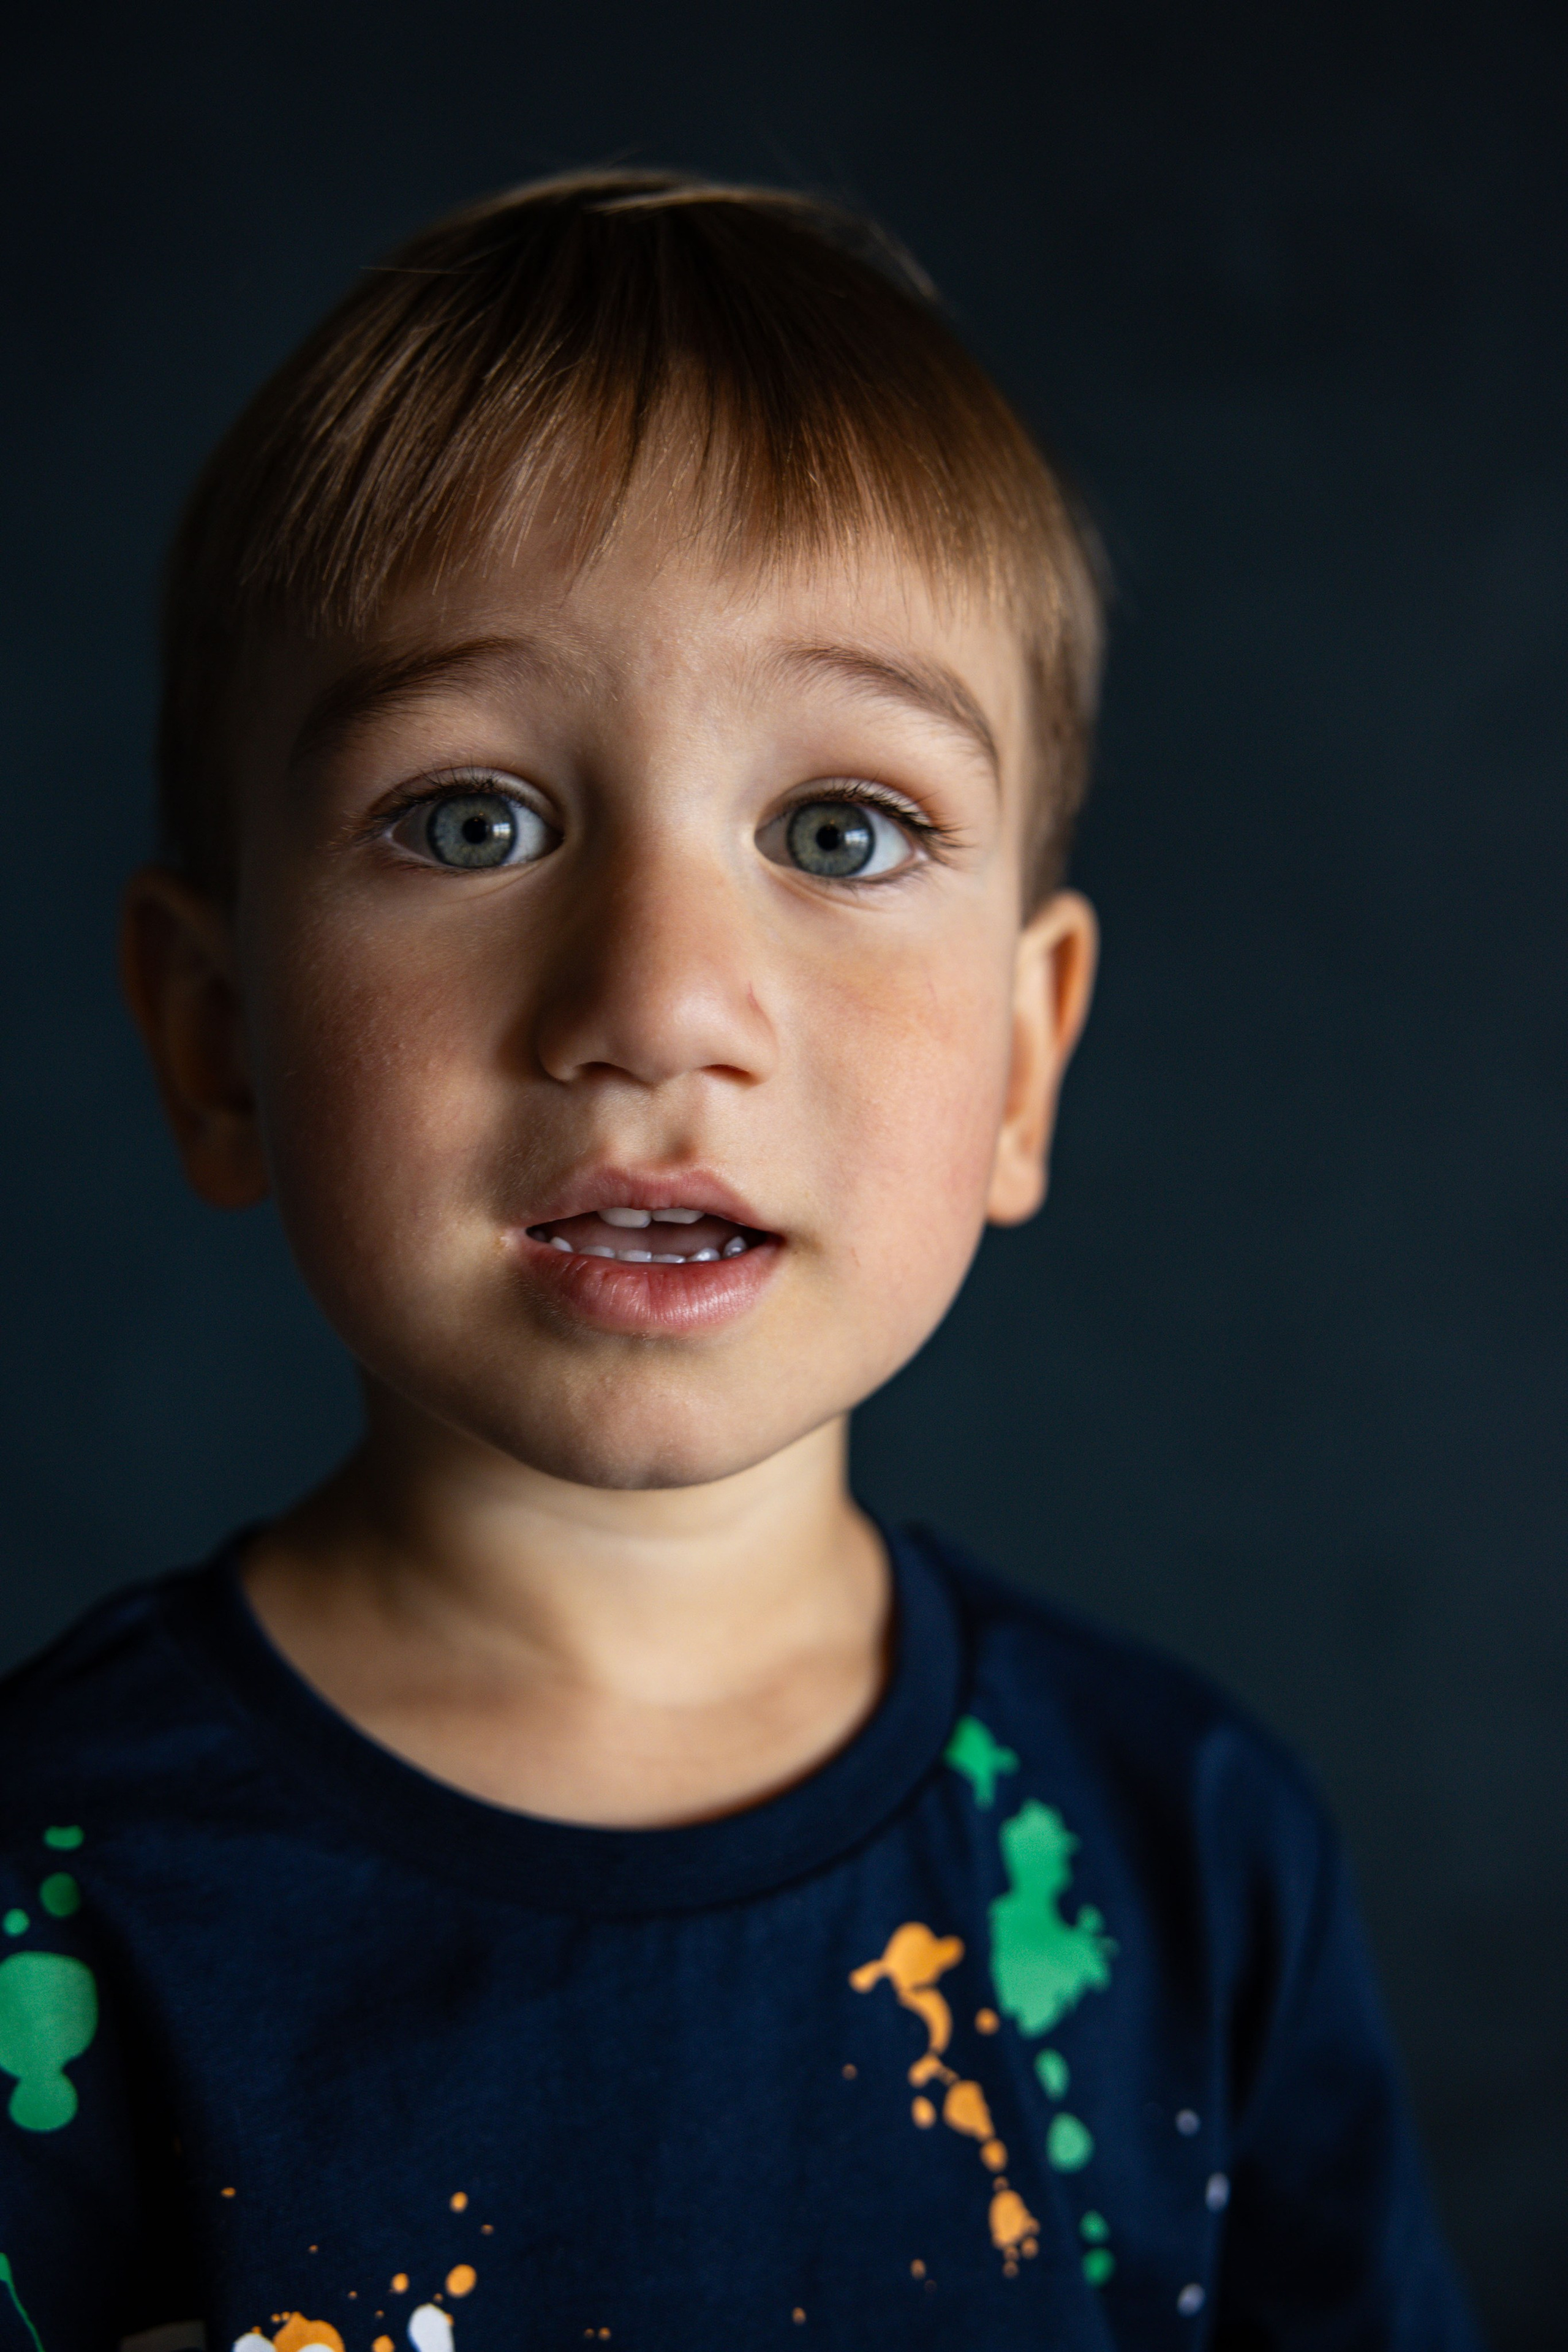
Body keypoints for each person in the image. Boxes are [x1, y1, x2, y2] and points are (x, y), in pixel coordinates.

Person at [0, 173, 1477, 2352]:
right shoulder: (60, 1894)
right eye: (472, 820)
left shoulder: (1182, 1856)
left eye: (841, 833)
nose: (664, 1000)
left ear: (1021, 1064)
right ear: (216, 1038)